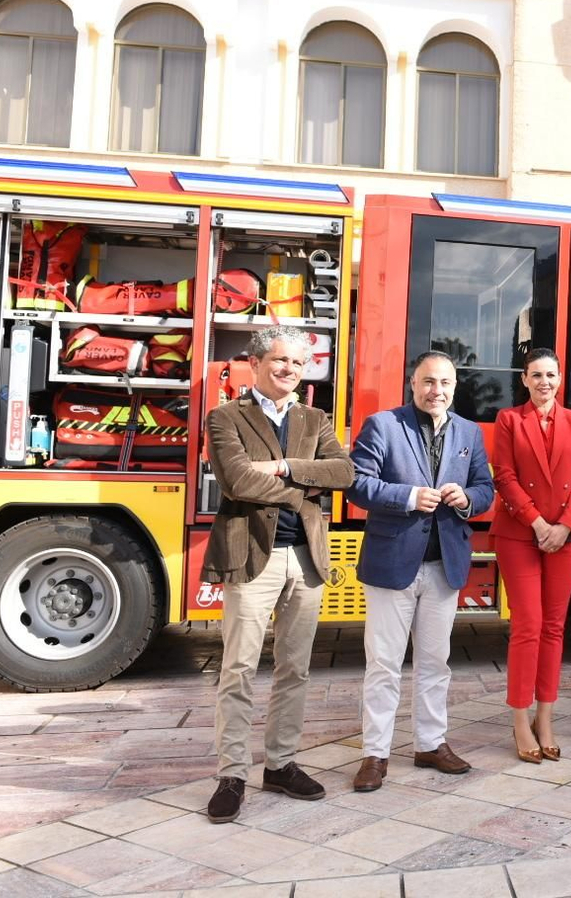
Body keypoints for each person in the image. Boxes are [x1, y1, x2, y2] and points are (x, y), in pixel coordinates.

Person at [203, 328, 355, 823]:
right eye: (279, 360)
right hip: (252, 554)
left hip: (306, 559)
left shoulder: (315, 418)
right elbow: (236, 479)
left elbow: (343, 473)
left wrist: (286, 468)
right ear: (255, 362)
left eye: (297, 362)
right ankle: (232, 774)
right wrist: (301, 490)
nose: (288, 369)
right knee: (239, 668)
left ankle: (282, 763)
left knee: (295, 668)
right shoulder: (225, 416)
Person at [348, 351, 495, 792]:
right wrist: (410, 497)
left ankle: (431, 743)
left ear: (455, 387)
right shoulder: (384, 425)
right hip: (393, 563)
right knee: (384, 665)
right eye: (429, 382)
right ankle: (375, 753)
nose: (438, 391)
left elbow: (486, 489)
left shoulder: (469, 432)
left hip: (444, 565)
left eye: (446, 383)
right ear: (413, 384)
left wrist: (466, 498)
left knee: (436, 662)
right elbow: (356, 482)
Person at [491, 349, 571, 764]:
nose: (544, 382)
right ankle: (520, 719)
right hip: (520, 534)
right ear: (525, 379)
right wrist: (537, 524)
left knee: (554, 628)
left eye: (551, 375)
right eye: (536, 375)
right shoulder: (509, 420)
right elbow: (504, 475)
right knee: (528, 626)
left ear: (559, 379)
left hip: (568, 536)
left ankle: (545, 718)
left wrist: (565, 526)